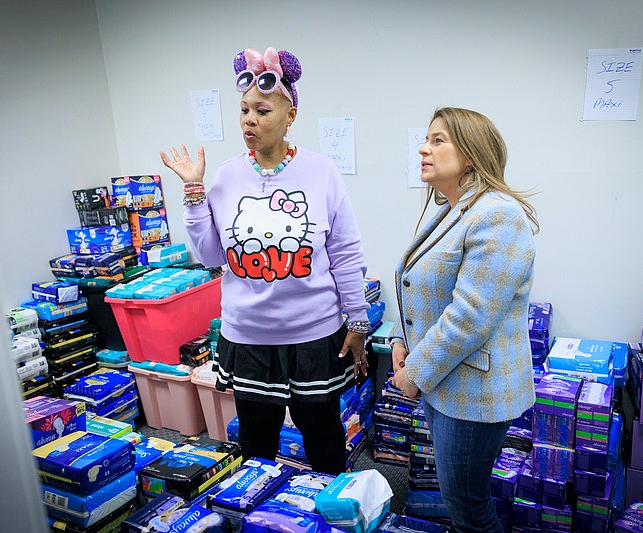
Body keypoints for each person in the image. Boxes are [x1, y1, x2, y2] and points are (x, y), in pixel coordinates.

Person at [159, 47, 370, 475]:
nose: (249, 120)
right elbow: (211, 254)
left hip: (314, 336)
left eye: (262, 110)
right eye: (243, 111)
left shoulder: (322, 172)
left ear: (290, 115)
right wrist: (194, 192)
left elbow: (345, 254)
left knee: (324, 444)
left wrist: (359, 321)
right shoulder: (226, 175)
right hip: (249, 338)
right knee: (256, 449)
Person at [390, 107, 538, 532]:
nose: (424, 148)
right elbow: (418, 284)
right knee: (459, 499)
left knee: (467, 505)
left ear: (471, 154)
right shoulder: (457, 209)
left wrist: (415, 371)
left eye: (438, 140)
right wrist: (402, 340)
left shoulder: (497, 215)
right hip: (447, 380)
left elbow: (470, 316)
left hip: (474, 391)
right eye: (427, 138)